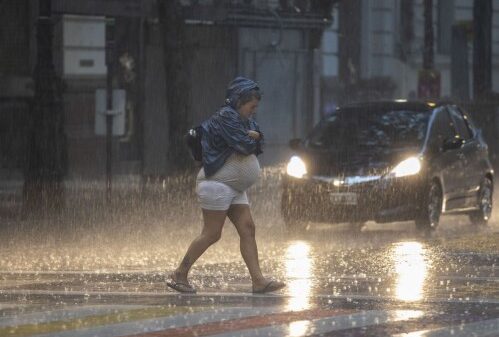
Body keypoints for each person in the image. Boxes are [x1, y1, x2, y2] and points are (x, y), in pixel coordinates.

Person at [167, 77, 286, 294]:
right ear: (240, 101)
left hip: (233, 186)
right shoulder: (226, 116)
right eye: (252, 106)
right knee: (212, 233)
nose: (254, 111)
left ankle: (258, 281)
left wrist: (254, 137)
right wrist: (252, 138)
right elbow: (246, 144)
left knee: (248, 229)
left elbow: (259, 142)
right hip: (216, 183)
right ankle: (179, 274)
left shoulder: (243, 119)